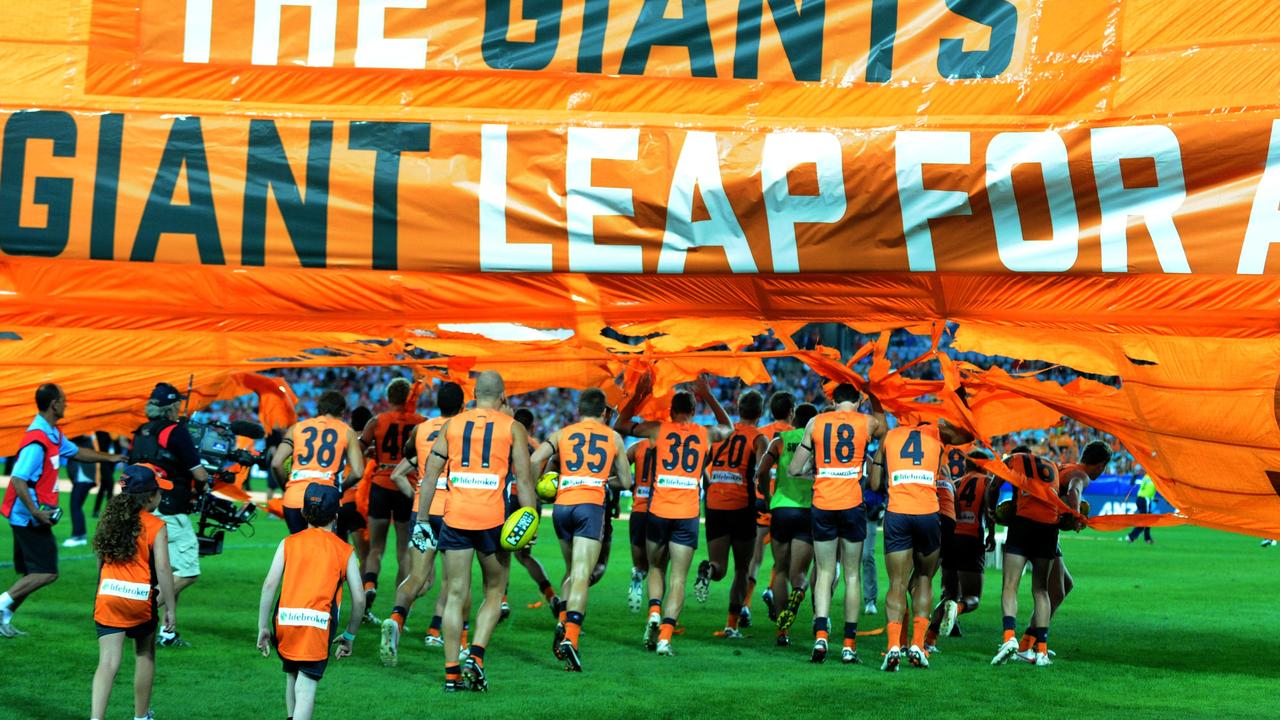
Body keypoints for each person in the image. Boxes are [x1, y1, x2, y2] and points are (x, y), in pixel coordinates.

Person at [416, 371, 537, 691]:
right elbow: (524, 481)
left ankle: (451, 674)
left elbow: (429, 477)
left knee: (455, 594)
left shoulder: (452, 425)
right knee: (495, 592)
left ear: (473, 393)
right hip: (492, 520)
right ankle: (477, 656)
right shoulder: (513, 427)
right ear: (503, 396)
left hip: (455, 518)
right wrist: (530, 521)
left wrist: (423, 520)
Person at [615, 374, 732, 656]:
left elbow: (620, 425)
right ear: (693, 412)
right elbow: (728, 426)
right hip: (687, 513)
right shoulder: (704, 433)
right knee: (678, 578)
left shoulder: (658, 430)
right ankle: (666, 637)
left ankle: (654, 611)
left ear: (670, 410)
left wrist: (640, 393)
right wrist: (708, 394)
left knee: (656, 568)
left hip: (658, 510)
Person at [3, 384, 125, 639]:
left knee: (33, 573)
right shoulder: (38, 440)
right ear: (53, 404)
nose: (66, 405)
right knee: (46, 572)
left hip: (31, 513)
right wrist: (36, 513)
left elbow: (77, 452)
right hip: (28, 516)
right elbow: (17, 479)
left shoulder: (52, 434)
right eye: (64, 401)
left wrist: (108, 458)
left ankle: (4, 617)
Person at [531, 388, 632, 670]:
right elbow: (626, 481)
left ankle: (563, 622)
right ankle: (571, 639)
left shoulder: (563, 433)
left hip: (562, 506)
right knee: (581, 575)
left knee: (570, 572)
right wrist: (600, 480)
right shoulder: (612, 437)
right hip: (590, 506)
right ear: (604, 412)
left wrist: (540, 488)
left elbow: (534, 458)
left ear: (578, 410)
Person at [786, 384, 886, 664]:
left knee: (825, 572)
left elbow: (794, 469)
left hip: (823, 504)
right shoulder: (867, 422)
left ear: (833, 399)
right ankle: (849, 645)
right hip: (852, 504)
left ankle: (820, 638)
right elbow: (885, 431)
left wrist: (816, 474)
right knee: (852, 574)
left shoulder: (815, 422)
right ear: (858, 400)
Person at [256, 483, 364, 720]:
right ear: (336, 516)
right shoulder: (344, 550)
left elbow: (269, 585)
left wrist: (263, 627)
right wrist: (349, 635)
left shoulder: (289, 542)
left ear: (303, 512)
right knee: (306, 688)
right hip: (317, 625)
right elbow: (359, 599)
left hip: (284, 621)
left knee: (292, 676)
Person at [379, 381, 465, 667]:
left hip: (423, 510)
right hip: (453, 510)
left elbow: (402, 469)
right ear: (462, 405)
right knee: (455, 582)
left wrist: (416, 497)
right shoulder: (465, 429)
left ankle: (395, 619)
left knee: (417, 577)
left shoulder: (422, 428)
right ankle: (458, 643)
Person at [126, 382, 213, 648]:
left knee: (162, 572)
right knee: (186, 572)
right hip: (170, 508)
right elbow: (198, 472)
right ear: (173, 406)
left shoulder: (140, 431)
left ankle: (167, 632)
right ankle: (136, 614)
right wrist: (207, 481)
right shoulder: (175, 431)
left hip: (140, 507)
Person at [90, 464, 176, 720]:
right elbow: (163, 568)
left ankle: (96, 718)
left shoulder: (108, 518)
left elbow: (100, 561)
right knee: (145, 653)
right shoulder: (155, 525)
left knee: (107, 662)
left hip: (108, 596)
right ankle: (140, 716)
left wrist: (100, 590)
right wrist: (171, 608)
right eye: (159, 491)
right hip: (140, 600)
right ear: (149, 496)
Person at [868, 419, 947, 671]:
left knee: (897, 584)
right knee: (924, 578)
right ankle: (917, 644)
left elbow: (874, 483)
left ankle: (893, 646)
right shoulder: (936, 437)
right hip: (927, 512)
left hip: (898, 512)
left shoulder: (890, 436)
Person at [695, 390, 766, 639]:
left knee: (720, 567)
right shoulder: (758, 439)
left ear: (738, 408)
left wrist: (710, 483)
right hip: (742, 506)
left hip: (715, 505)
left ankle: (708, 570)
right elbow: (760, 470)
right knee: (741, 569)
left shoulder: (723, 435)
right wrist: (765, 495)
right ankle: (731, 625)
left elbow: (699, 464)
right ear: (760, 413)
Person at [359, 378, 424, 622]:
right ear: (409, 397)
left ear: (388, 397)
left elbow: (360, 446)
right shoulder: (421, 423)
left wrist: (371, 453)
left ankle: (369, 586)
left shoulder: (377, 421)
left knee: (375, 548)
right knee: (403, 552)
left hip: (380, 484)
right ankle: (399, 611)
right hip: (407, 483)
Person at [991, 448, 1062, 667]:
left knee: (1010, 585)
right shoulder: (1051, 464)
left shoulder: (1013, 460)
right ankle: (1041, 651)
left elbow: (993, 486)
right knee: (1040, 590)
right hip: (1049, 526)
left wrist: (991, 511)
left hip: (1023, 522)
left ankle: (1009, 637)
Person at [755, 402, 818, 648]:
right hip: (807, 510)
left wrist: (765, 493)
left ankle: (782, 631)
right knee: (799, 573)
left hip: (781, 508)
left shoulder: (780, 440)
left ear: (794, 420)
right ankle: (799, 592)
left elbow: (761, 469)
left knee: (780, 569)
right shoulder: (818, 443)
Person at [925, 450, 995, 649]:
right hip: (971, 540)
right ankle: (958, 610)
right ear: (982, 465)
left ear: (966, 465)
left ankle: (929, 640)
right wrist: (991, 533)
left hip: (951, 538)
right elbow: (989, 510)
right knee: (972, 598)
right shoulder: (987, 481)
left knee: (948, 594)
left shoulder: (956, 483)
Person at [271, 390, 364, 535]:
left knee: (299, 550)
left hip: (294, 497)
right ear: (342, 411)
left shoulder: (297, 428)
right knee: (324, 552)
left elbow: (276, 463)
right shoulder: (347, 431)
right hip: (326, 498)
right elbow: (358, 471)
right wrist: (340, 489)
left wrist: (287, 486)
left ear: (318, 409)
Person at [508, 408, 560, 621]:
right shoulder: (539, 449)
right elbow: (544, 485)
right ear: (533, 426)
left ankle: (500, 600)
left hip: (507, 499)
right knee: (524, 556)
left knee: (498, 554)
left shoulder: (505, 441)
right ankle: (551, 595)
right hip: (530, 504)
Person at [750, 391, 795, 624]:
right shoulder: (796, 436)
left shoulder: (760, 434)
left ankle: (744, 606)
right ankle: (771, 588)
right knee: (783, 557)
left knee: (755, 556)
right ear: (791, 411)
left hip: (760, 499)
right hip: (784, 502)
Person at [66, 432, 118, 547]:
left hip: (84, 475)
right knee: (76, 505)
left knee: (75, 505)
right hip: (83, 475)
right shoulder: (86, 436)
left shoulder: (84, 434)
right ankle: (80, 534)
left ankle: (79, 535)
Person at [624, 437, 656, 613]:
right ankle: (655, 611)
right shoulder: (668, 444)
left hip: (638, 510)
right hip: (659, 509)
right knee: (658, 567)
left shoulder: (636, 447)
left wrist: (632, 486)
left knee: (640, 563)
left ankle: (638, 573)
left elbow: (620, 470)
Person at [1126, 470, 1157, 544]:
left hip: (1140, 499)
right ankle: (1131, 536)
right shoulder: (1154, 477)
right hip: (1145, 499)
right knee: (1145, 520)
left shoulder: (1146, 476)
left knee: (1148, 519)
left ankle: (1147, 539)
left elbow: (1144, 488)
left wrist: (1152, 498)